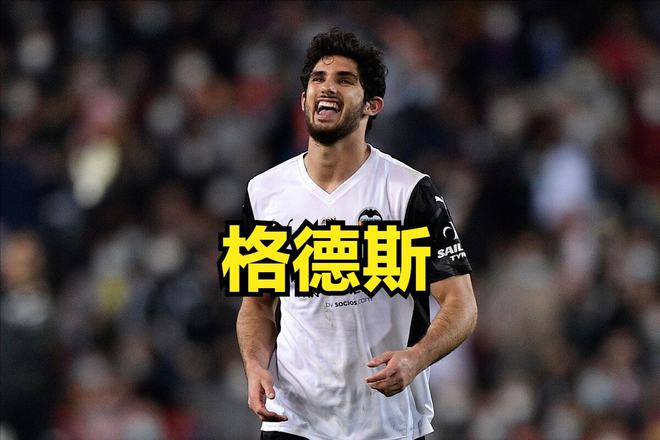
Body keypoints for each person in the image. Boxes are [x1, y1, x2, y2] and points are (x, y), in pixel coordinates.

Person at [236, 28, 477, 440]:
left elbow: (462, 303)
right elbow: (257, 305)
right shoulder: (264, 193)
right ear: (304, 99)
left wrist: (416, 358)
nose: (327, 87)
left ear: (372, 104)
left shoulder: (408, 192)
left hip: (388, 425)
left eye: (344, 80)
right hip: (293, 424)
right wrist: (255, 366)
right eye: (318, 78)